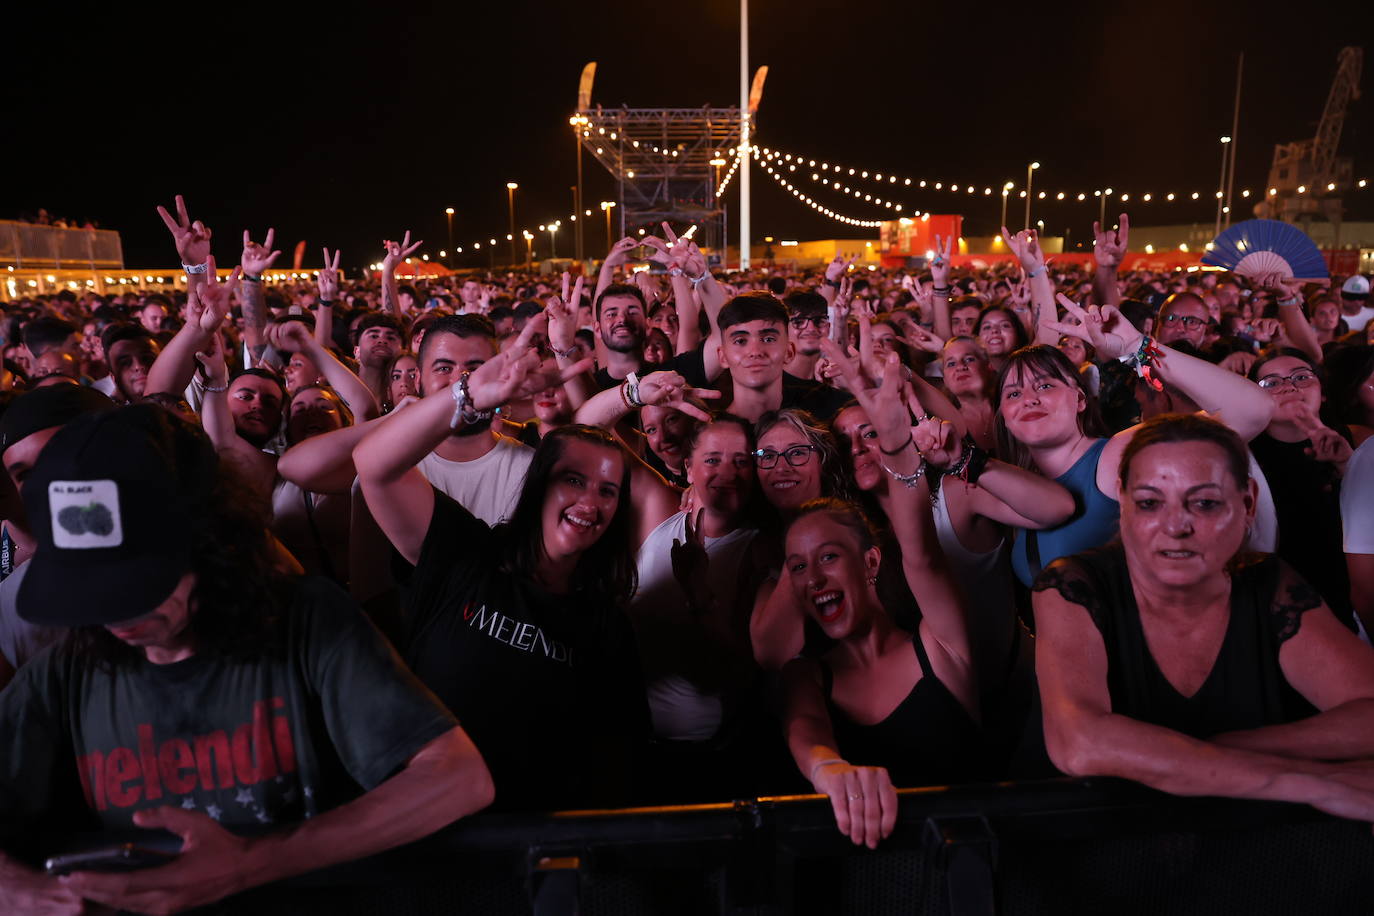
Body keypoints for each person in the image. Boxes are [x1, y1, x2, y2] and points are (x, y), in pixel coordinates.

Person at [0, 405, 492, 914]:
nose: (117, 611)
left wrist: (249, 862)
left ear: (211, 544)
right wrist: (15, 887)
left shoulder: (305, 621)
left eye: (137, 583)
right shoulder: (67, 672)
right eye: (90, 587)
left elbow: (457, 776)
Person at [353, 322, 647, 811]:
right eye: (572, 480)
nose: (589, 502)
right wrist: (466, 395)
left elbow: (619, 761)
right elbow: (374, 464)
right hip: (434, 831)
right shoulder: (466, 553)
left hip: (541, 846)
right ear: (537, 485)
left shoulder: (606, 625)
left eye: (607, 491)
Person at [1033, 413, 1374, 820]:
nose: (1176, 526)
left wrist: (1200, 753)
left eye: (1205, 503)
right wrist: (1316, 784)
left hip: (1241, 854)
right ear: (1122, 502)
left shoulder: (1266, 584)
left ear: (1247, 503)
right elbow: (1080, 744)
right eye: (1149, 503)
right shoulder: (1073, 585)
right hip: (1098, 851)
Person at [779, 356, 983, 849]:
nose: (814, 577)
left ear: (870, 564)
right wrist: (830, 771)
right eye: (799, 566)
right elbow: (806, 731)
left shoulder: (940, 647)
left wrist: (896, 445)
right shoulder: (805, 675)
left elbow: (922, 556)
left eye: (829, 556)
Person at [1001, 294, 1275, 587]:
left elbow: (1253, 411)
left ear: (1080, 399)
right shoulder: (1010, 482)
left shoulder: (1115, 457)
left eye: (1045, 385)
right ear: (1003, 414)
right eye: (1014, 393)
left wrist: (1138, 347)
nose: (1029, 399)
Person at [1246, 349, 1356, 628]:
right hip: (1277, 607)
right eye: (1271, 383)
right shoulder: (1244, 457)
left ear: (1324, 391)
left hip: (1352, 597)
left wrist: (1348, 466)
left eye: (1302, 377)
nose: (1289, 387)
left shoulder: (1357, 441)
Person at [715, 293, 852, 423]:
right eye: (740, 341)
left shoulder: (828, 409)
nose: (755, 352)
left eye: (768, 339)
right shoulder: (707, 433)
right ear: (722, 357)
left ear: (789, 352)